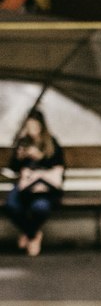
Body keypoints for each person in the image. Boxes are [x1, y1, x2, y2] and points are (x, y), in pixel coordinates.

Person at [3, 108, 65, 257]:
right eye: (29, 127)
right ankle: (32, 234)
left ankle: (29, 235)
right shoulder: (23, 142)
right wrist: (20, 157)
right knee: (11, 206)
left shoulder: (51, 143)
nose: (32, 131)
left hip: (45, 187)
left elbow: (59, 165)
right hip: (26, 186)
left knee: (40, 207)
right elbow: (13, 168)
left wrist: (41, 158)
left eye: (35, 127)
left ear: (41, 126)